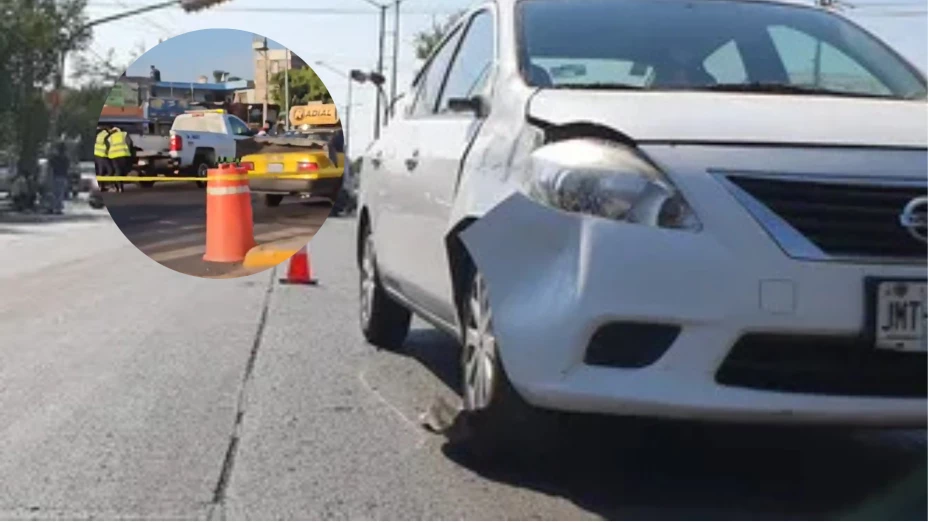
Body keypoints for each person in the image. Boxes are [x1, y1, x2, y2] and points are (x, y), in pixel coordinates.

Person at [107, 126, 132, 193]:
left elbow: (108, 147)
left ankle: (118, 186)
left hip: (113, 156)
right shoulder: (123, 134)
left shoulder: (110, 138)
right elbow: (129, 143)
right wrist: (129, 151)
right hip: (122, 154)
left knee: (118, 171)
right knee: (123, 171)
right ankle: (119, 186)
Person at [47, 142, 70, 214]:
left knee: (53, 192)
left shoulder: (54, 158)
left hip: (55, 176)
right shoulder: (66, 158)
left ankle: (51, 207)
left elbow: (50, 166)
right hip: (62, 176)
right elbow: (67, 168)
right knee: (60, 193)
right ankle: (58, 208)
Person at [94, 125, 113, 191]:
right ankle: (108, 185)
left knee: (101, 171)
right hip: (102, 155)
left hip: (97, 154)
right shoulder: (108, 135)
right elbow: (108, 144)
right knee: (109, 170)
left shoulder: (100, 134)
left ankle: (101, 186)